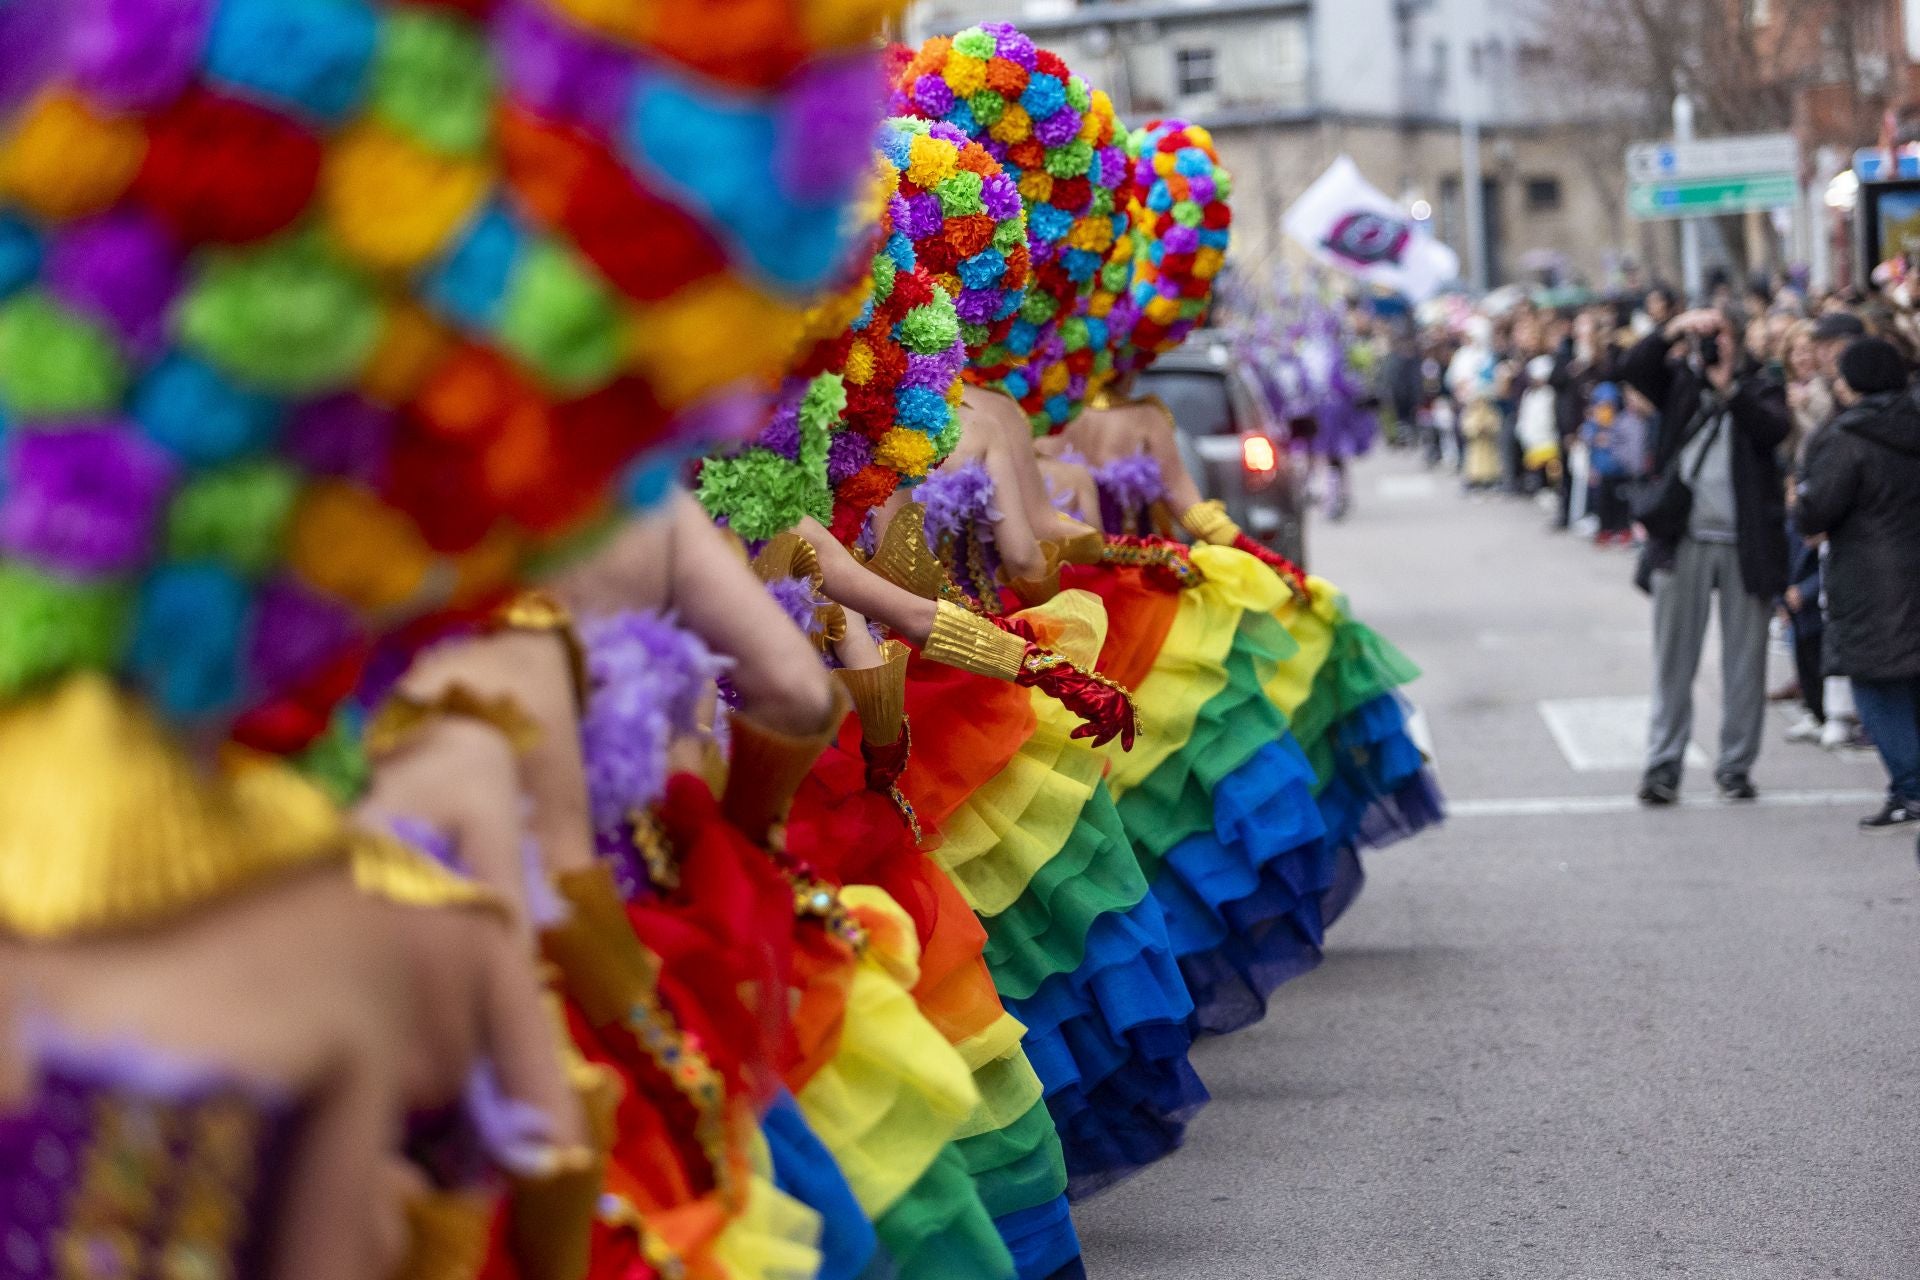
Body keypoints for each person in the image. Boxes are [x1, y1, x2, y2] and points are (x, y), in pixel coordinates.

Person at [1621, 308, 1791, 805]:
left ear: (1739, 340)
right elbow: (1632, 369)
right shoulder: (1678, 382)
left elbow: (1772, 430)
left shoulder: (1761, 385)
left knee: (1745, 661)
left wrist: (1730, 389)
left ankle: (1735, 767)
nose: (1713, 344)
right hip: (1684, 540)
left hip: (1747, 543)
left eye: (1721, 335)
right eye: (1706, 335)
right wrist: (1671, 330)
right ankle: (1662, 766)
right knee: (1673, 660)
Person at [1795, 337, 1920, 834]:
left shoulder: (1847, 437)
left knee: (1874, 685)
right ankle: (1904, 790)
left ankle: (1910, 788)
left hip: (1870, 580)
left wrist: (1798, 500)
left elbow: (1817, 510)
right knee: (1910, 685)